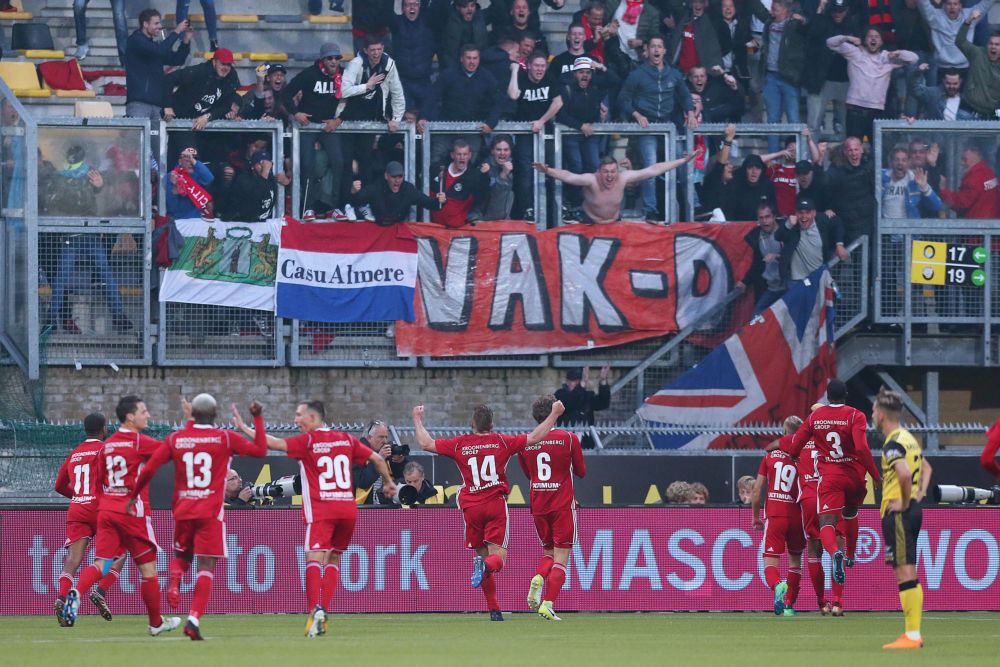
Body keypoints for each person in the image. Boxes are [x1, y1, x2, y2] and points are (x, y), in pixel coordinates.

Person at [235, 400, 396, 637]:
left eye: (299, 415)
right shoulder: (346, 439)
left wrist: (247, 426)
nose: (296, 420)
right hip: (347, 510)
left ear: (313, 417)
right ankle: (324, 610)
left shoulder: (308, 441)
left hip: (323, 509)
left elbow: (270, 442)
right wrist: (389, 483)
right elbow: (379, 460)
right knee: (333, 559)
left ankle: (314, 612)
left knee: (313, 557)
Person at [411, 399, 565, 621]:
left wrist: (417, 418)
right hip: (494, 504)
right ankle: (484, 568)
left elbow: (426, 443)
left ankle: (494, 610)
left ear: (472, 425)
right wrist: (554, 415)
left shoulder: (460, 443)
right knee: (497, 559)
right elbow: (535, 437)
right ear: (492, 425)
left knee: (483, 557)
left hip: (471, 507)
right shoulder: (501, 442)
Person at [131, 395, 268, 640]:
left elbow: (150, 467)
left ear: (192, 413)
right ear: (215, 415)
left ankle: (175, 579)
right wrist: (256, 418)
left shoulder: (177, 438)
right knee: (207, 565)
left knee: (182, 556)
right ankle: (193, 620)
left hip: (183, 510)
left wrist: (133, 495)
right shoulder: (224, 438)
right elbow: (259, 449)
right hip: (210, 512)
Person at [62, 396, 181, 636]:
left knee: (102, 563)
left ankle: (75, 594)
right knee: (149, 571)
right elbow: (169, 454)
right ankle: (156, 624)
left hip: (106, 511)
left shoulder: (107, 447)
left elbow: (100, 480)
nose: (147, 415)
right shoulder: (139, 442)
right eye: (144, 411)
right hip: (132, 511)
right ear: (130, 417)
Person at [781, 379, 881, 589]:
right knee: (851, 514)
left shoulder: (816, 416)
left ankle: (835, 552)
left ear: (827, 396)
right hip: (853, 475)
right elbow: (862, 449)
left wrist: (793, 454)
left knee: (827, 523)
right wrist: (876, 475)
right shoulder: (856, 415)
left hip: (831, 478)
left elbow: (797, 441)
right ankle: (850, 555)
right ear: (846, 395)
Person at [518, 394, 587, 621]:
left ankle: (539, 576)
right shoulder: (569, 439)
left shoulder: (526, 442)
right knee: (562, 557)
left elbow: (529, 474)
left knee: (548, 552)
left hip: (539, 504)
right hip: (561, 504)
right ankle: (547, 603)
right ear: (555, 411)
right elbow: (581, 472)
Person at [873, 387, 932, 649]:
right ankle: (913, 633)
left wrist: (906, 501)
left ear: (882, 415)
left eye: (873, 411)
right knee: (907, 568)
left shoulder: (893, 443)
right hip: (911, 512)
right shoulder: (909, 439)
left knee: (904, 570)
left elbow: (904, 474)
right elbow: (926, 467)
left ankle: (912, 635)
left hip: (899, 512)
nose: (872, 415)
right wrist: (919, 495)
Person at [53, 413, 125, 626]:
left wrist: (78, 496)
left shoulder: (74, 453)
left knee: (73, 560)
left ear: (85, 430)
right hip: (100, 508)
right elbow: (109, 480)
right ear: (104, 429)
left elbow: (58, 485)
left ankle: (62, 596)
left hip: (77, 509)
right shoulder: (105, 450)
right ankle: (100, 591)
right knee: (119, 552)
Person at [618, 35, 698, 221]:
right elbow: (623, 99)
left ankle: (694, 206)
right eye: (652, 46)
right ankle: (650, 210)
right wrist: (637, 115)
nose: (656, 50)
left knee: (683, 164)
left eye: (659, 47)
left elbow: (685, 95)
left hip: (669, 125)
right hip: (648, 127)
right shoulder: (638, 73)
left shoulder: (674, 73)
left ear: (664, 51)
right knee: (651, 167)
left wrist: (691, 112)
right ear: (647, 50)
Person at [534, 149, 702, 225]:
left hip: (614, 224)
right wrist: (547, 170)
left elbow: (653, 170)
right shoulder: (591, 180)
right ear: (598, 172)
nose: (609, 176)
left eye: (613, 172)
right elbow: (568, 176)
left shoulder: (623, 178)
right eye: (605, 172)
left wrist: (683, 161)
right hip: (589, 223)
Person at [282, 43, 347, 216]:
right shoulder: (310, 74)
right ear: (323, 60)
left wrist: (339, 120)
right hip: (308, 125)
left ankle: (334, 206)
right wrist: (296, 113)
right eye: (330, 58)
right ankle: (308, 206)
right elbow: (285, 93)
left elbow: (356, 100)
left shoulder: (345, 75)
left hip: (329, 125)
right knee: (307, 163)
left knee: (339, 161)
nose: (334, 62)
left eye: (337, 58)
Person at [751, 415, 805, 616]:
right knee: (795, 561)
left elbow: (756, 491)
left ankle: (777, 586)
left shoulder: (769, 458)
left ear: (784, 433)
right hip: (797, 515)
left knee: (770, 561)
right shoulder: (803, 459)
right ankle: (790, 606)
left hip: (775, 514)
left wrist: (756, 517)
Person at [826, 29, 917, 142]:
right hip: (855, 109)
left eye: (877, 36)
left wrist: (898, 53)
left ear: (882, 42)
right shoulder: (855, 52)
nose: (873, 39)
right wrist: (848, 38)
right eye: (870, 36)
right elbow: (830, 42)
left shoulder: (887, 58)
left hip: (877, 111)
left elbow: (914, 59)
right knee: (853, 147)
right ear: (864, 40)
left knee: (878, 150)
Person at [555, 57, 618, 220]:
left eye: (588, 73)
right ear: (575, 73)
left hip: (590, 134)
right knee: (576, 166)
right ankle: (574, 205)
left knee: (592, 167)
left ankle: (590, 206)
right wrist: (580, 126)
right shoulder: (566, 88)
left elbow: (615, 80)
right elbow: (561, 116)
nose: (585, 76)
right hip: (571, 133)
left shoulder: (595, 86)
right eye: (581, 72)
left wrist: (600, 66)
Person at [747, 0, 808, 151]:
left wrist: (804, 21)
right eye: (771, 9)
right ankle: (772, 159)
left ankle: (799, 156)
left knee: (793, 119)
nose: (771, 12)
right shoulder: (769, 22)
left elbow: (812, 30)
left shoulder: (795, 25)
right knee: (773, 120)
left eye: (775, 9)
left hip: (789, 78)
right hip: (771, 78)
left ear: (786, 11)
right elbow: (757, 7)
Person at [508, 50, 561, 219]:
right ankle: (527, 209)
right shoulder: (522, 78)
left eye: (543, 66)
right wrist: (515, 71)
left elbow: (558, 102)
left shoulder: (550, 78)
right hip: (525, 133)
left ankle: (551, 212)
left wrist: (542, 121)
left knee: (550, 170)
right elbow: (513, 94)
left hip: (545, 131)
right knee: (525, 172)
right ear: (529, 66)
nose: (540, 69)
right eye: (536, 66)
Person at [125, 10, 192, 135]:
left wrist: (186, 40)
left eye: (159, 23)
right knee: (136, 145)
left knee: (156, 148)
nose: (160, 26)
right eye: (156, 23)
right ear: (145, 24)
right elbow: (160, 51)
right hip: (139, 104)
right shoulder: (135, 41)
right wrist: (176, 31)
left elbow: (177, 59)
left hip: (157, 105)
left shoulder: (155, 47)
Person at [775, 197, 849, 285]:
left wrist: (839, 244)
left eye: (807, 212)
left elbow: (838, 223)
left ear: (814, 213)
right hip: (795, 281)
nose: (804, 216)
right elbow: (777, 236)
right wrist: (788, 225)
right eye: (800, 213)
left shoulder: (822, 220)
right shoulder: (791, 225)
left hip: (818, 278)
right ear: (796, 213)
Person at [163, 48, 240, 130]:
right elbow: (169, 79)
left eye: (229, 65)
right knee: (189, 142)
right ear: (214, 62)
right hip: (180, 117)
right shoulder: (200, 71)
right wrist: (167, 106)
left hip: (205, 121)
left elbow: (228, 102)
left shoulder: (231, 76)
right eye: (223, 63)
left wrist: (207, 117)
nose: (226, 68)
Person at [351, 161, 445, 225]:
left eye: (400, 177)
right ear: (386, 176)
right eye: (394, 177)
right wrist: (353, 191)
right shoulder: (376, 188)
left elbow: (428, 203)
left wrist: (440, 201)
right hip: (377, 227)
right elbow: (355, 202)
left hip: (397, 228)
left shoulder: (408, 189)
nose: (397, 180)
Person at [917, 0, 996, 75]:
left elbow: (987, 3)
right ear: (944, 6)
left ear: (960, 6)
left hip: (965, 67)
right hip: (942, 67)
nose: (952, 7)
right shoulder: (935, 17)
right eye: (949, 4)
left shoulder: (970, 16)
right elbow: (923, 4)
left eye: (955, 4)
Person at [738, 201, 786, 316]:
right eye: (761, 218)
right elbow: (757, 264)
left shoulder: (786, 231)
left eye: (767, 217)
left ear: (774, 217)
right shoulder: (756, 237)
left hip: (789, 287)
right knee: (756, 317)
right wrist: (744, 282)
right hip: (772, 288)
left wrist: (777, 256)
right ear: (758, 220)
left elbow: (796, 256)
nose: (765, 221)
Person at [431, 139, 490, 228]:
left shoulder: (474, 176)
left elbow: (483, 195)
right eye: (459, 154)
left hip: (457, 229)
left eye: (465, 154)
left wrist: (484, 176)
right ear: (452, 155)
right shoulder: (437, 169)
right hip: (432, 227)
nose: (462, 157)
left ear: (470, 155)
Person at [826, 136, 875, 243]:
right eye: (850, 150)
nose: (854, 153)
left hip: (867, 222)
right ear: (844, 152)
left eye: (856, 149)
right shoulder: (836, 170)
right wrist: (827, 208)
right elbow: (826, 189)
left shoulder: (870, 166)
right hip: (847, 224)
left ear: (861, 149)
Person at [219, 150, 289, 222]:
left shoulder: (270, 179)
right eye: (260, 164)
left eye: (266, 164)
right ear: (252, 166)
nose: (264, 166)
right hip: (240, 223)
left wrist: (287, 183)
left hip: (263, 225)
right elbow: (255, 196)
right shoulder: (243, 179)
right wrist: (265, 172)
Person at [392, 0, 437, 111]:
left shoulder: (428, 22)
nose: (412, 8)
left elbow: (439, 6)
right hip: (403, 81)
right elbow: (386, 10)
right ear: (402, 9)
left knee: (426, 118)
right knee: (405, 118)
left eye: (415, 4)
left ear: (420, 7)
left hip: (424, 81)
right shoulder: (396, 23)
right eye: (408, 5)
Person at [955, 12, 1000, 121]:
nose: (993, 47)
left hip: (990, 117)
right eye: (991, 43)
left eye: (997, 44)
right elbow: (960, 41)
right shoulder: (977, 53)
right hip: (967, 111)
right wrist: (968, 21)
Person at [939, 140, 1000, 219]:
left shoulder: (975, 177)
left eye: (965, 150)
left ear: (975, 152)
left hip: (977, 226)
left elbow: (961, 203)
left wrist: (944, 191)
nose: (962, 162)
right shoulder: (989, 173)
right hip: (991, 223)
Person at [553, 366, 609, 448]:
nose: (577, 384)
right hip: (565, 443)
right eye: (574, 381)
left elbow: (603, 403)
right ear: (567, 381)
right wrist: (581, 387)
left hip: (585, 442)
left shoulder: (587, 395)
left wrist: (603, 382)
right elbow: (570, 403)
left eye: (579, 381)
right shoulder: (560, 395)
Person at [880, 146, 942, 219]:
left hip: (908, 228)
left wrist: (924, 187)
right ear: (891, 162)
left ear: (909, 163)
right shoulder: (881, 177)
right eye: (896, 160)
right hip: (884, 228)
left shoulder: (914, 180)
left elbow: (937, 206)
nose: (900, 163)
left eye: (904, 160)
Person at [471, 136, 516, 221]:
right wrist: (503, 175)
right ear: (492, 151)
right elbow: (491, 193)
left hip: (503, 221)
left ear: (510, 152)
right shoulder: (484, 167)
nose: (502, 153)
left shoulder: (513, 167)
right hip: (482, 221)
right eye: (498, 149)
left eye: (506, 150)